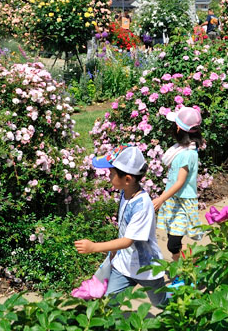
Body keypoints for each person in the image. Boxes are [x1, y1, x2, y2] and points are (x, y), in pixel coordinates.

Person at [75, 145, 166, 306]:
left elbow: (128, 240)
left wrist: (93, 247)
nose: (108, 176)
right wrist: (113, 251)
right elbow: (124, 230)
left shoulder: (142, 205)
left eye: (112, 173)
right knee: (110, 303)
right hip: (124, 265)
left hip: (147, 269)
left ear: (128, 179)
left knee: (161, 303)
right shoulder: (125, 193)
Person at [153, 107, 204, 261]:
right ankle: (187, 265)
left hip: (182, 203)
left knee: (173, 243)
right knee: (173, 239)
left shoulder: (187, 154)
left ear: (177, 128)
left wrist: (160, 199)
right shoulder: (182, 150)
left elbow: (180, 182)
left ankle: (187, 266)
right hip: (174, 201)